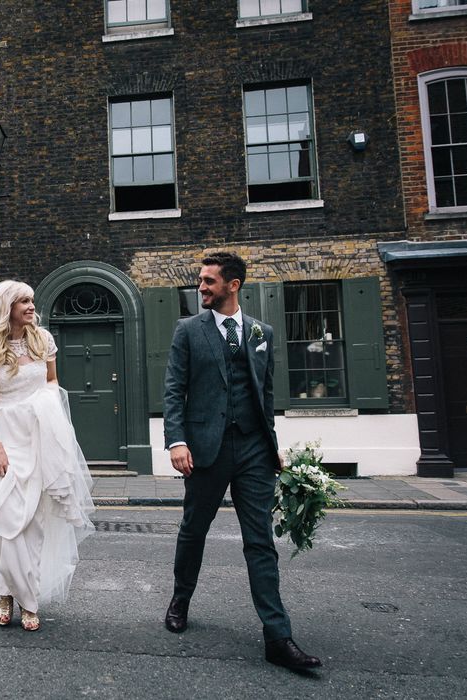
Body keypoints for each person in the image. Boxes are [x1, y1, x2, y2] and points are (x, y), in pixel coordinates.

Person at [162, 251, 321, 671]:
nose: (201, 287)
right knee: (193, 530)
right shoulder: (188, 331)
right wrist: (176, 441)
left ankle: (277, 636)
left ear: (233, 285)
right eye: (200, 280)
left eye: (209, 282)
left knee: (260, 543)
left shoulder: (260, 332)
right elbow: (174, 389)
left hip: (253, 450)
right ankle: (181, 598)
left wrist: (273, 445)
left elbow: (264, 394)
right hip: (206, 450)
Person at [0, 280, 94, 631]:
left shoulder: (43, 341)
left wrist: (52, 420)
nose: (31, 306)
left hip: (40, 434)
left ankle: (26, 599)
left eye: (31, 300)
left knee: (34, 521)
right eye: (23, 301)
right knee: (7, 520)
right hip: (4, 438)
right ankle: (6, 593)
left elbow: (51, 383)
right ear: (7, 308)